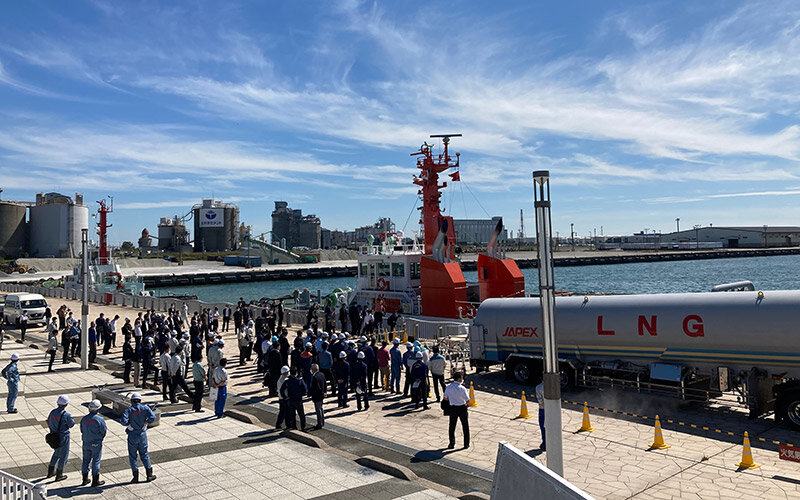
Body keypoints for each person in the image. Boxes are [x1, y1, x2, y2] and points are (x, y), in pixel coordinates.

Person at [120, 393, 157, 483]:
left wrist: (129, 425)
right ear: (140, 401)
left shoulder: (129, 410)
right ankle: (149, 475)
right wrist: (146, 423)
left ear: (132, 401)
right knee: (144, 454)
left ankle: (135, 477)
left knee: (133, 456)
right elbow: (153, 416)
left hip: (132, 434)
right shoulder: (145, 408)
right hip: (142, 434)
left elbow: (123, 420)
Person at [47, 395, 75, 480]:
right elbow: (71, 424)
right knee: (63, 456)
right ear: (66, 404)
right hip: (63, 437)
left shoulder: (52, 412)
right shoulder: (66, 415)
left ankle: (50, 472)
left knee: (56, 453)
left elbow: (49, 421)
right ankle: (59, 474)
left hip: (54, 436)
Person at [80, 399, 107, 487]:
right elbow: (103, 431)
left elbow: (82, 430)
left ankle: (84, 479)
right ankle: (95, 481)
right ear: (98, 409)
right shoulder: (99, 419)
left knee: (85, 461)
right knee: (96, 461)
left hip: (86, 442)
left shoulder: (84, 419)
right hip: (96, 443)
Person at [443, 372, 470, 449]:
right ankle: (466, 444)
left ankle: (451, 443)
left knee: (452, 426)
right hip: (462, 408)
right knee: (465, 426)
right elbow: (468, 400)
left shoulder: (448, 387)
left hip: (453, 408)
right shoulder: (462, 388)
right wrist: (467, 405)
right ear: (459, 379)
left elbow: (445, 398)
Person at [309, 363, 326, 429]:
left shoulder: (315, 377)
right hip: (321, 395)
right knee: (321, 409)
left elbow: (316, 388)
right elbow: (324, 384)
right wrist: (324, 392)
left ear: (313, 369)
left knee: (318, 410)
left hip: (317, 396)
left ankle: (319, 424)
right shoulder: (322, 374)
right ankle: (322, 422)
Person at [536, 381, 545, 450]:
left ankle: (545, 443)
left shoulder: (539, 387)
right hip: (552, 409)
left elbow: (541, 402)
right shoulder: (553, 386)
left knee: (543, 426)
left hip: (543, 410)